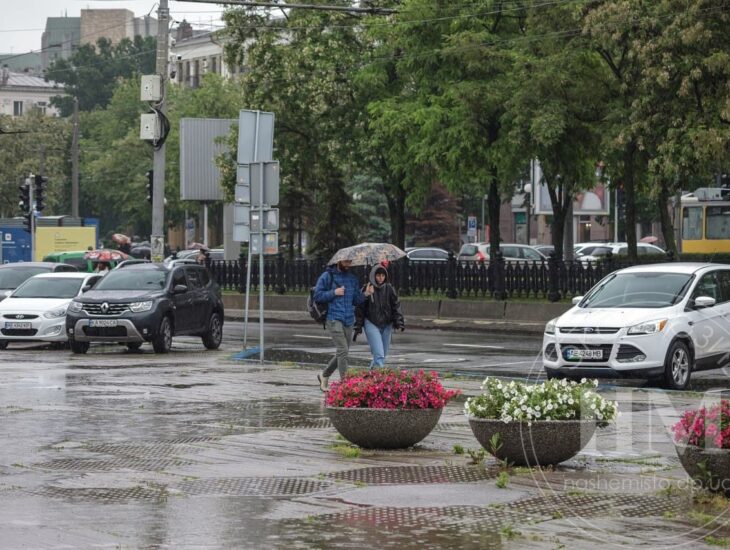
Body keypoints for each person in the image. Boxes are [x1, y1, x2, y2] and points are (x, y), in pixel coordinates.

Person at [313, 260, 374, 391]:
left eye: (350, 262)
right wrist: (334, 292)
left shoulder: (352, 279)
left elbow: (356, 300)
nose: (348, 264)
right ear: (338, 261)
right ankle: (346, 385)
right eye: (345, 261)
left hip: (348, 320)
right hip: (333, 318)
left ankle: (324, 375)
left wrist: (366, 294)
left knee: (343, 352)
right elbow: (317, 296)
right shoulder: (327, 276)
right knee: (343, 351)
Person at [354, 263, 405, 368]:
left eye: (383, 275)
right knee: (379, 355)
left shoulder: (389, 288)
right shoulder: (367, 288)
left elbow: (396, 305)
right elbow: (360, 308)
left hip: (387, 324)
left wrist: (399, 322)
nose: (381, 278)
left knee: (382, 355)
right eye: (378, 275)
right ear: (373, 276)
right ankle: (379, 380)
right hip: (371, 323)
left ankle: (369, 379)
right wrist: (358, 326)